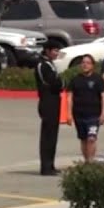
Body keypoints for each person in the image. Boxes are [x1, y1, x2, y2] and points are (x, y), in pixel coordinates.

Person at [68, 54, 104, 162]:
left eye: (88, 63)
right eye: (83, 63)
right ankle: (86, 161)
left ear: (92, 65)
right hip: (79, 114)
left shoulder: (98, 79)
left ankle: (91, 161)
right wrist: (69, 114)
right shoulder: (75, 80)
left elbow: (103, 96)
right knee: (83, 139)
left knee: (91, 138)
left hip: (94, 115)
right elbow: (70, 97)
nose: (85, 65)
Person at [35, 39, 65, 176]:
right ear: (47, 51)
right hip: (47, 101)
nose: (57, 53)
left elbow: (59, 82)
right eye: (55, 50)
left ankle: (51, 164)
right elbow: (53, 82)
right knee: (47, 134)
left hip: (55, 100)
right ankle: (45, 166)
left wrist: (60, 83)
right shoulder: (42, 65)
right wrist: (60, 83)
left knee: (53, 134)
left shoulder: (51, 64)